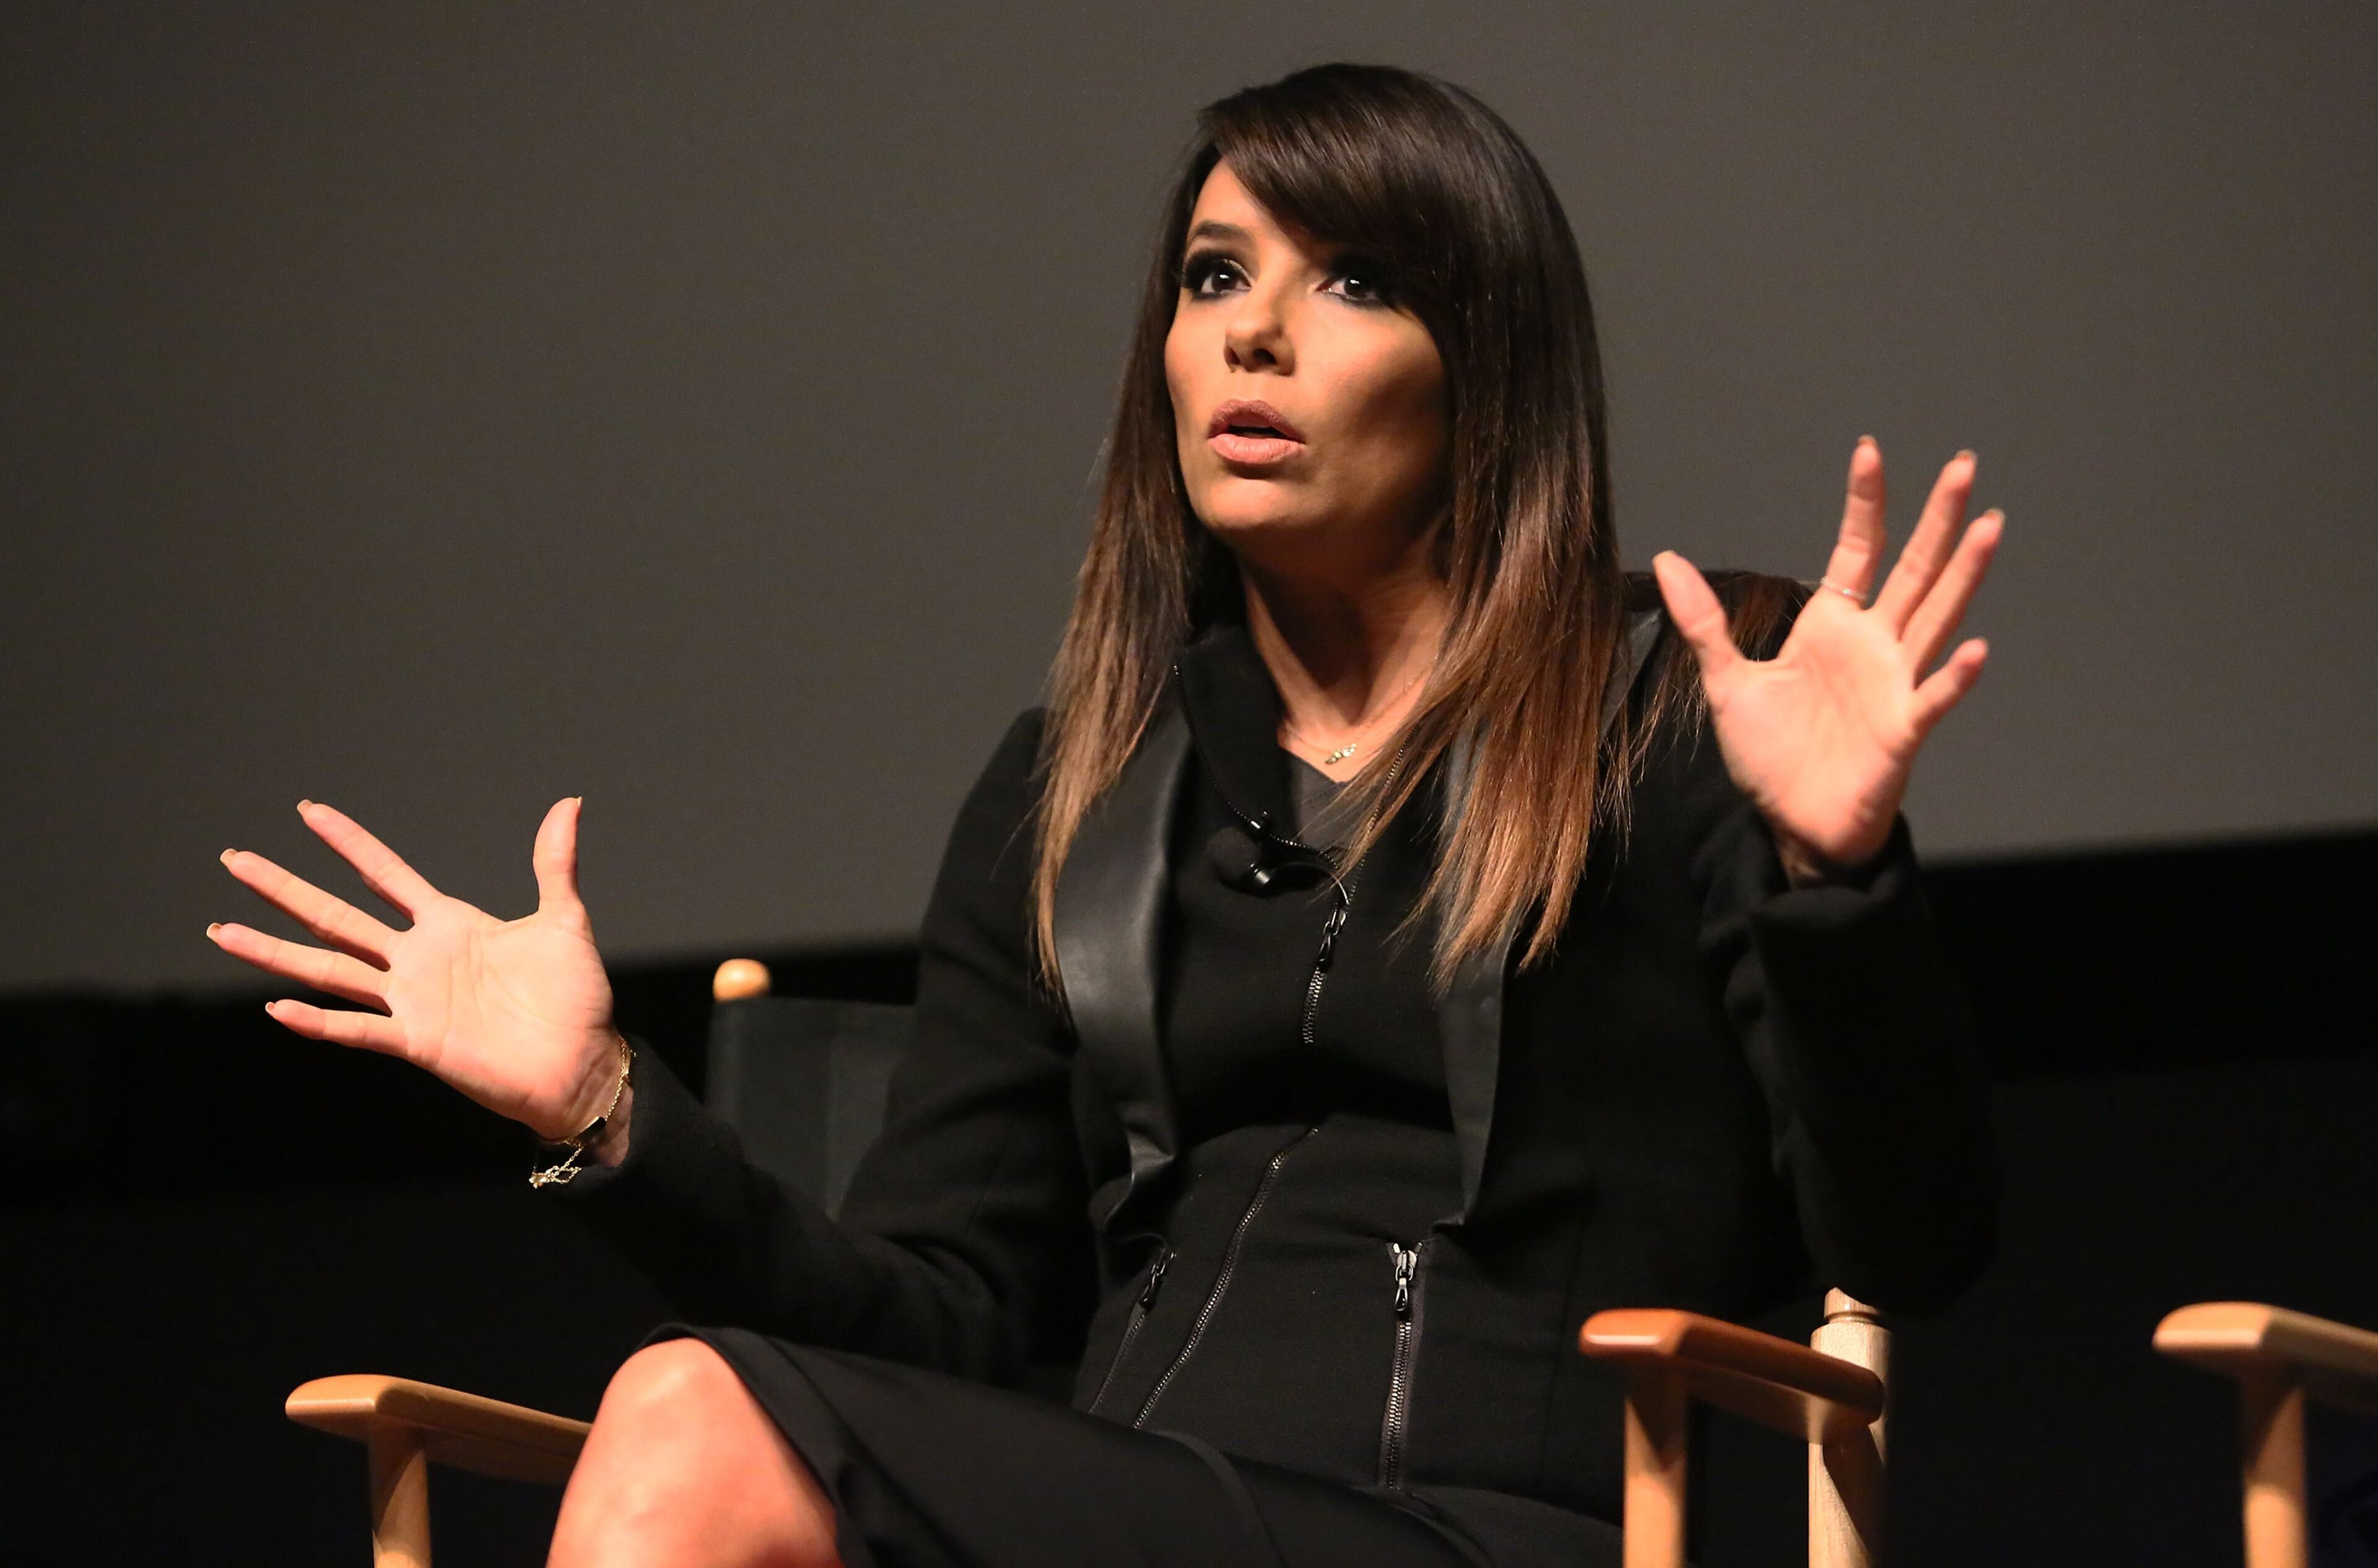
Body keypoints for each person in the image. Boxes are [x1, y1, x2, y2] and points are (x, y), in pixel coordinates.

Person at [209, 64, 2000, 1568]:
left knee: (682, 1415)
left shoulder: (1671, 715)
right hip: (1127, 1501)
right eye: (1216, 278)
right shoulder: (1082, 783)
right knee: (708, 1412)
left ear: (1488, 371)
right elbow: (942, 1324)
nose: (1259, 339)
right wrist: (610, 1114)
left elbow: (1908, 1243)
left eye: (1357, 282)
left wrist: (1833, 873)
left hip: (1498, 1525)